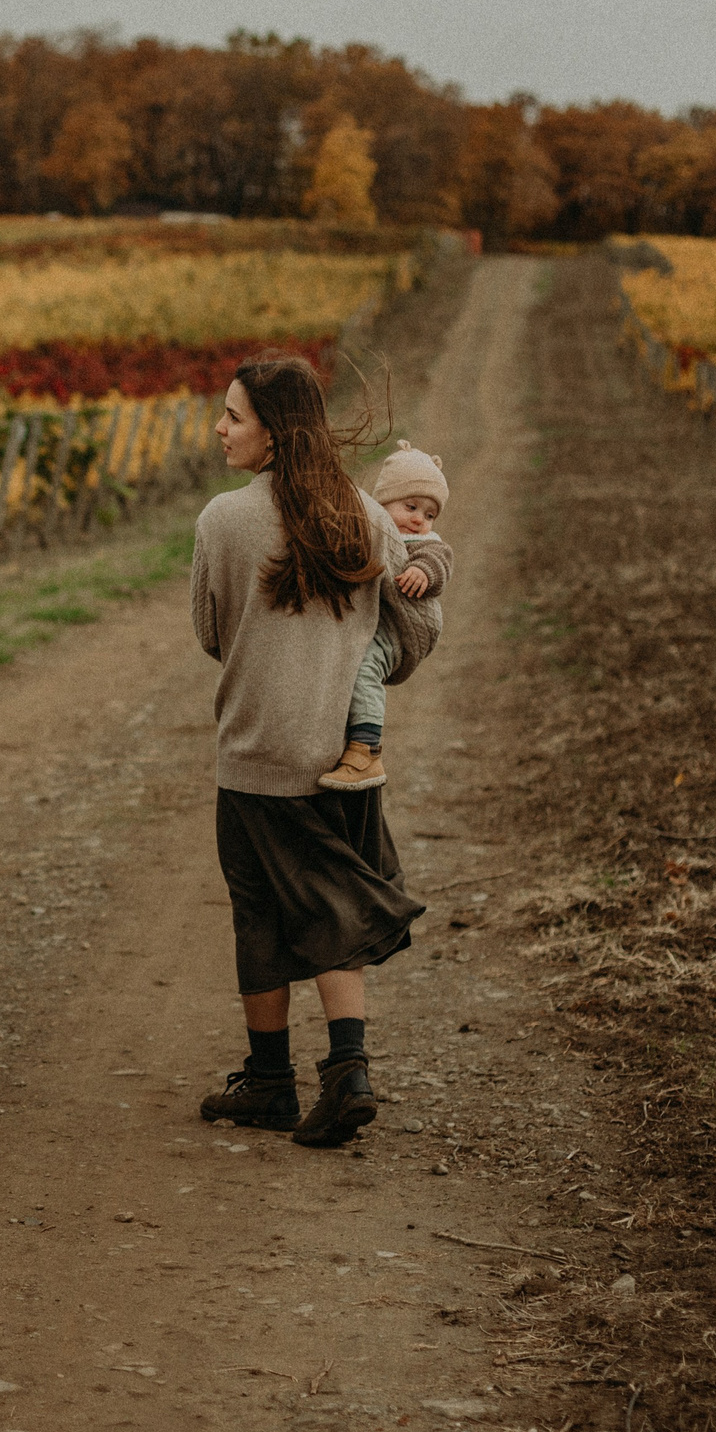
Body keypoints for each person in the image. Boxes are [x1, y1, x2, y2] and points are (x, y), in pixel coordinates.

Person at [190, 352, 426, 1145]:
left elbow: (210, 633)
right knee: (335, 913)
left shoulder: (224, 520)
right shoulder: (367, 516)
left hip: (255, 757)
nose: (220, 428)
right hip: (344, 761)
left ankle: (272, 1080)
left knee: (258, 915)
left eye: (233, 415)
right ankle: (344, 1068)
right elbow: (411, 627)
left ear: (273, 430)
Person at [318, 441, 453, 790]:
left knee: (365, 668)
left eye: (429, 514)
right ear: (381, 502)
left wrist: (424, 571)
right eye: (410, 506)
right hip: (373, 620)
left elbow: (440, 562)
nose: (419, 520)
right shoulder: (371, 528)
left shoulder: (425, 543)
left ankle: (367, 751)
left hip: (399, 628)